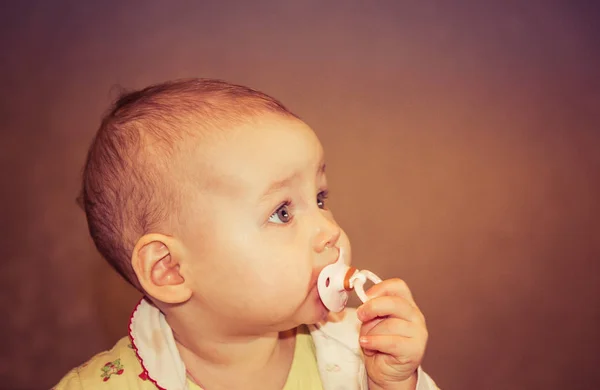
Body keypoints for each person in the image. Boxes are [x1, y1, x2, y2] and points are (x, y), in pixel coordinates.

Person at [54, 79, 440, 390]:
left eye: (320, 199)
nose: (329, 232)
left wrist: (393, 385)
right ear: (169, 269)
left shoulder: (359, 351)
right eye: (282, 212)